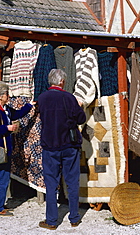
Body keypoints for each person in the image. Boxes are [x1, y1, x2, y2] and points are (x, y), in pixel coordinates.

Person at [37, 69, 86, 230]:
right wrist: (80, 106)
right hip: (69, 146)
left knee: (51, 184)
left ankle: (51, 221)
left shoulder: (42, 98)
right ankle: (74, 218)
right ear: (62, 82)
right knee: (72, 182)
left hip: (50, 146)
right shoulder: (69, 97)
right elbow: (81, 119)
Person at [0, 81, 34, 216]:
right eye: (6, 93)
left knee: (4, 176)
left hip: (5, 149)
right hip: (1, 149)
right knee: (3, 177)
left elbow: (17, 114)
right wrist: (7, 128)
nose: (9, 96)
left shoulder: (5, 109)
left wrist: (30, 105)